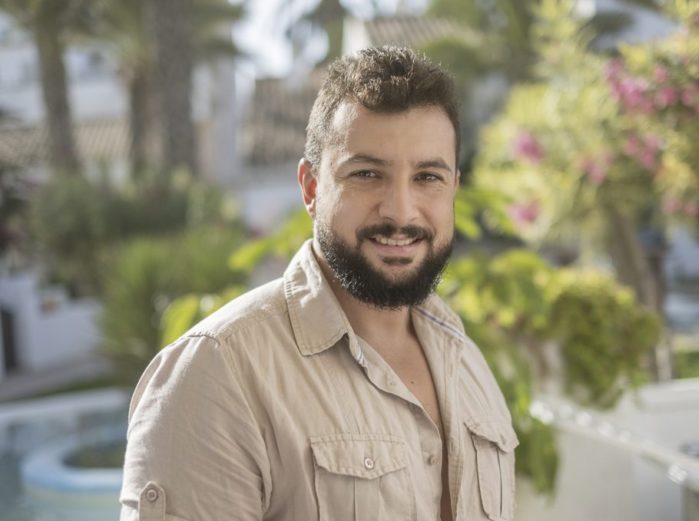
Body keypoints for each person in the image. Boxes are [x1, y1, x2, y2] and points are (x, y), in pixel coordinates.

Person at [120, 46, 517, 521]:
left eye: (427, 176)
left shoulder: (466, 361)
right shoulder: (219, 372)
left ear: (453, 187)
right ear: (310, 188)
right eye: (367, 174)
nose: (401, 211)